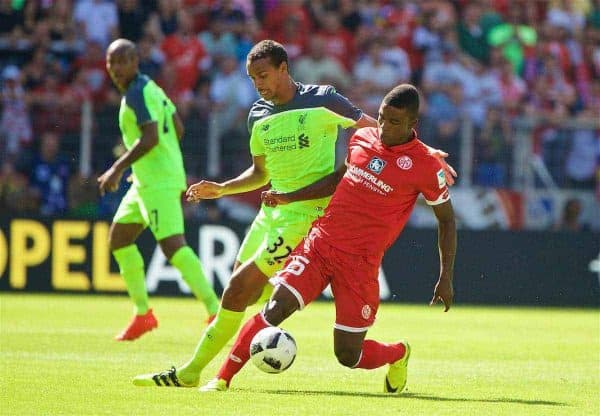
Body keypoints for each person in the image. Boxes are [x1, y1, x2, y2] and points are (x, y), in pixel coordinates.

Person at [132, 41, 455, 388]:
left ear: (284, 68)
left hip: (308, 218)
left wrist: (425, 151)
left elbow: (371, 125)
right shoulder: (258, 114)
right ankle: (204, 373)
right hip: (273, 210)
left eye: (264, 75)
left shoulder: (324, 100)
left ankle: (196, 373)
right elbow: (260, 174)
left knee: (244, 294)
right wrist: (223, 188)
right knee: (239, 294)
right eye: (253, 78)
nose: (259, 84)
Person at [201, 83, 456, 393]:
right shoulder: (362, 137)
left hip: (360, 264)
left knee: (348, 355)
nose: (384, 128)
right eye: (381, 118)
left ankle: (398, 353)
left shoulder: (426, 165)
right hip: (320, 246)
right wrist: (291, 196)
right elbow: (338, 179)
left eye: (394, 122)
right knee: (274, 309)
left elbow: (446, 220)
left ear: (413, 124)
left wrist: (445, 278)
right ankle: (222, 379)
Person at [98, 39, 219, 341]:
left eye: (121, 61)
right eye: (111, 63)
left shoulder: (137, 94)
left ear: (135, 61)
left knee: (173, 246)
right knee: (120, 239)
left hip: (158, 182)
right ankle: (143, 314)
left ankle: (215, 309)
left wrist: (117, 168)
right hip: (147, 180)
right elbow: (177, 127)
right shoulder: (151, 87)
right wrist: (150, 165)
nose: (115, 69)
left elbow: (151, 137)